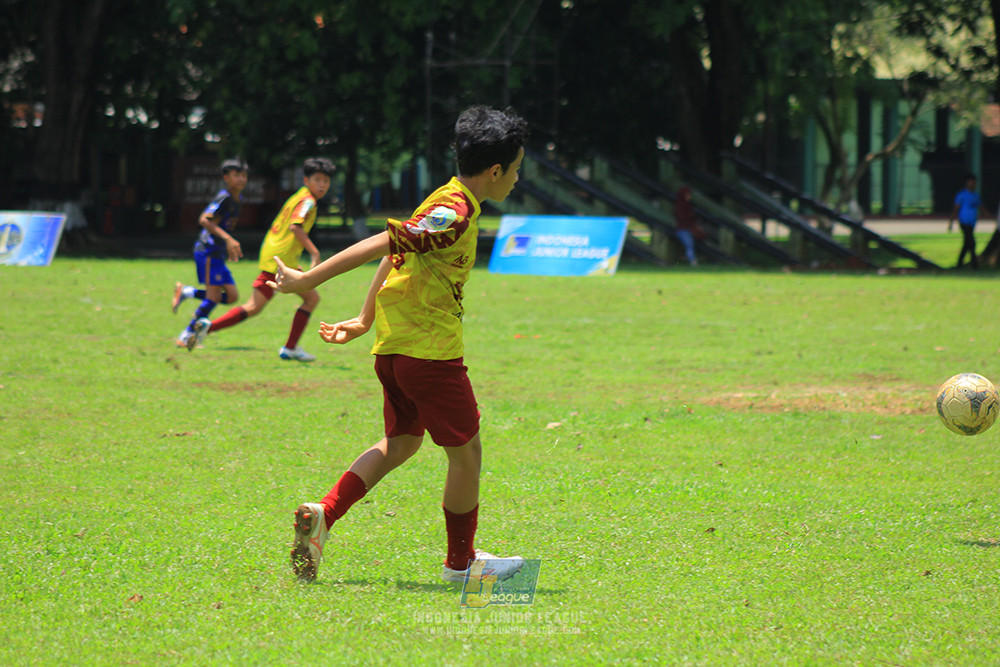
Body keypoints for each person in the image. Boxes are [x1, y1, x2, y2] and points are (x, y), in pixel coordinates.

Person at [269, 106, 529, 584]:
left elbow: (397, 252)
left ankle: (324, 513)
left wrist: (366, 319)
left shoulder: (445, 197)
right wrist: (307, 277)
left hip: (396, 352)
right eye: (515, 169)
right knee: (466, 454)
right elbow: (379, 243)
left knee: (402, 442)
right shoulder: (455, 212)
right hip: (430, 356)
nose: (515, 179)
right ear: (495, 170)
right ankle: (462, 565)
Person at [187, 157, 334, 361]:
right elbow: (295, 226)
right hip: (280, 261)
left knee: (255, 307)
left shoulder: (298, 196)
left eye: (326, 181)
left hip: (276, 257)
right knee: (310, 299)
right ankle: (290, 348)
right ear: (306, 180)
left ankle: (208, 327)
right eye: (317, 179)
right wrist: (315, 252)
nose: (322, 185)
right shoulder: (307, 200)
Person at [172, 158, 247, 349]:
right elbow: (205, 220)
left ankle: (187, 292)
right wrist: (229, 240)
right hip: (207, 250)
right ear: (226, 178)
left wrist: (227, 244)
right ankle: (186, 336)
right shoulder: (224, 197)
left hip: (217, 252)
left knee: (231, 296)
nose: (241, 179)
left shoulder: (238, 199)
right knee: (213, 298)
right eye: (236, 175)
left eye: (244, 175)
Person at [947, 174, 991, 269]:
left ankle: (960, 264)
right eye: (971, 181)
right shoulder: (962, 195)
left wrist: (990, 217)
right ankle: (974, 265)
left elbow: (981, 207)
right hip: (964, 222)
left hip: (972, 223)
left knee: (967, 243)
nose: (973, 184)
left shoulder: (975, 196)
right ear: (967, 182)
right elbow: (956, 209)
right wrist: (951, 221)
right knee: (971, 242)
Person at [673, 186, 705, 266]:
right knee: (689, 244)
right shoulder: (680, 206)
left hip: (687, 228)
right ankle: (693, 261)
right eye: (687, 194)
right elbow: (683, 219)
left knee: (691, 244)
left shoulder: (688, 205)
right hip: (683, 229)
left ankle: (693, 260)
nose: (689, 196)